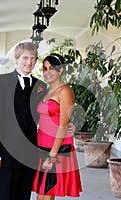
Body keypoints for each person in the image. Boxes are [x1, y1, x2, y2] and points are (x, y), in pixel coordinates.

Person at [0, 42, 47, 200]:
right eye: (25, 58)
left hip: (29, 152)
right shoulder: (1, 81)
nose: (29, 62)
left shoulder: (40, 86)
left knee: (24, 195)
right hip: (5, 154)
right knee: (4, 195)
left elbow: (44, 116)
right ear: (16, 58)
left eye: (33, 58)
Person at [32, 53, 82, 199]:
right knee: (43, 194)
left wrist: (52, 156)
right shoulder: (45, 91)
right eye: (45, 68)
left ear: (60, 70)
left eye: (52, 68)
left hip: (55, 148)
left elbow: (63, 125)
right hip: (41, 145)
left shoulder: (65, 91)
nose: (47, 72)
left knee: (45, 194)